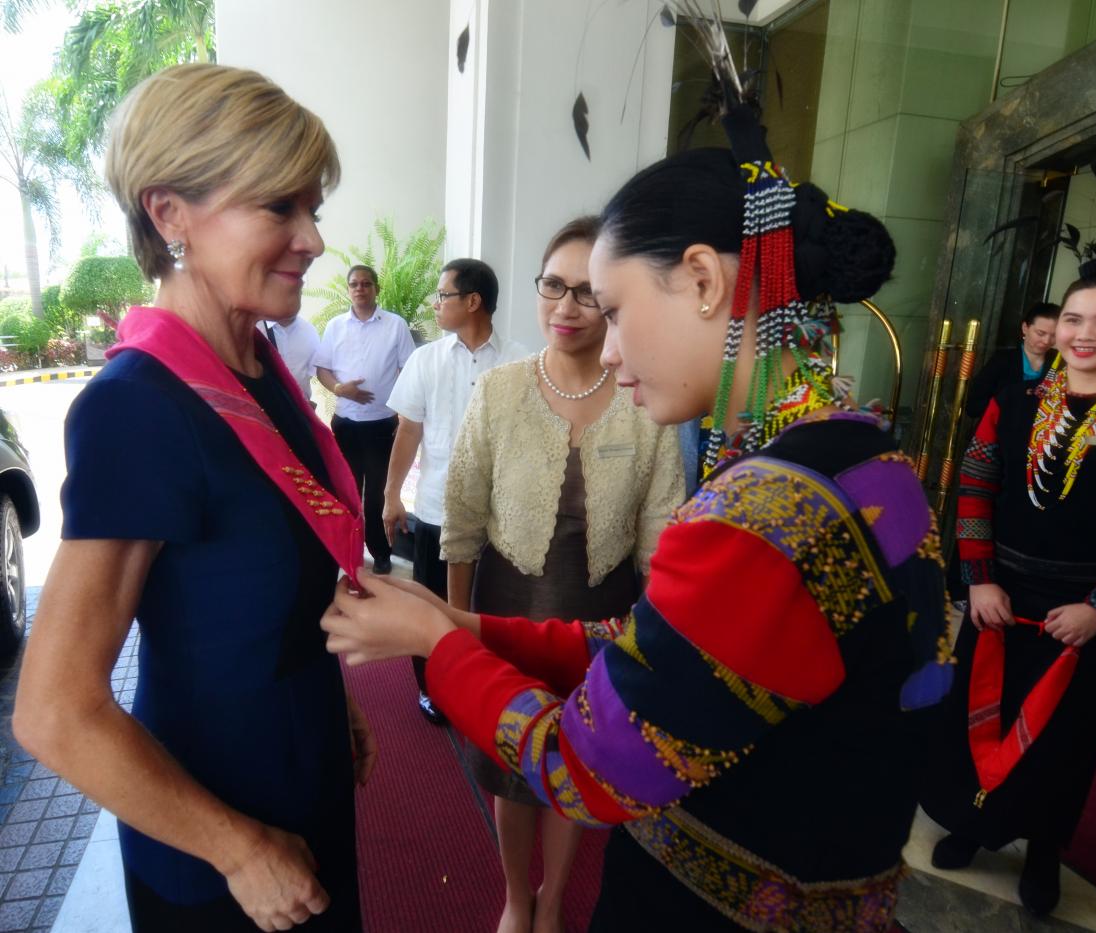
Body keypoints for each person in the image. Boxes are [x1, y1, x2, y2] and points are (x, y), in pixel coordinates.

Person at [322, 108, 955, 931]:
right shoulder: (871, 457)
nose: (609, 346)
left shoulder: (758, 512)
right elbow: (661, 651)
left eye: (616, 309)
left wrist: (432, 645)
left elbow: (582, 766)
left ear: (702, 279)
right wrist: (459, 617)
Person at [13, 64, 374, 932]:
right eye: (278, 208)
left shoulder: (257, 364)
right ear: (168, 212)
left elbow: (247, 597)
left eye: (312, 209)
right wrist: (237, 847)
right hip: (220, 850)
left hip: (306, 778)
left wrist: (333, 699)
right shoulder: (138, 405)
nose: (314, 240)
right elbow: (54, 710)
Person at [439, 215, 684, 933]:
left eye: (586, 292)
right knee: (510, 764)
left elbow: (662, 531)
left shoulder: (644, 401)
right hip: (507, 598)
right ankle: (518, 895)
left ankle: (553, 901)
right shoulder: (500, 391)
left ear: (610, 302)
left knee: (579, 758)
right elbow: (462, 516)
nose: (566, 307)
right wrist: (455, 628)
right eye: (553, 286)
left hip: (600, 610)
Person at [922, 249, 1096, 917]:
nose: (1084, 334)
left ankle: (1042, 850)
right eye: (1073, 318)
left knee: (1066, 732)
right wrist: (978, 580)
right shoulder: (1014, 399)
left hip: (1094, 606)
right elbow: (976, 487)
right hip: (1002, 592)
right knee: (979, 709)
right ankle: (972, 824)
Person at [383, 258, 527, 726]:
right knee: (431, 607)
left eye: (443, 295)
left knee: (490, 609)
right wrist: (390, 496)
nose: (436, 303)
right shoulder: (426, 360)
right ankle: (434, 689)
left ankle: (489, 690)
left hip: (497, 519)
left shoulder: (520, 362)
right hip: (434, 509)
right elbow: (408, 431)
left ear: (472, 301)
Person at [315, 264, 416, 574]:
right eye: (354, 284)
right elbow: (322, 368)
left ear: (376, 289)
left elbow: (409, 370)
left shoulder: (395, 325)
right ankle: (346, 552)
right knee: (345, 492)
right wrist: (339, 389)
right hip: (346, 423)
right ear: (348, 290)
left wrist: (403, 408)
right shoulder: (335, 326)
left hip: (381, 424)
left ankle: (381, 554)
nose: (360, 288)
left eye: (366, 284)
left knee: (375, 495)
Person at [965, 301, 1059, 418]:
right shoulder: (1002, 360)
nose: (1046, 341)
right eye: (1040, 333)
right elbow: (973, 407)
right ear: (1025, 328)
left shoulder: (1060, 362)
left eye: (1054, 335)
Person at [260, 311, 321, 402]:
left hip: (299, 408)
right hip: (262, 408)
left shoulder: (309, 331)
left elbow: (313, 373)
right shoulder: (254, 328)